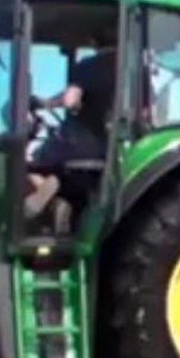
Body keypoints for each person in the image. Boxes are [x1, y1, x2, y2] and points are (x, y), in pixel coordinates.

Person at [24, 36, 117, 225]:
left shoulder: (90, 65)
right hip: (110, 147)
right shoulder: (134, 69)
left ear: (94, 43)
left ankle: (45, 197)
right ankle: (58, 192)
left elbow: (70, 100)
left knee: (28, 163)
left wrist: (48, 104)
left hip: (80, 144)